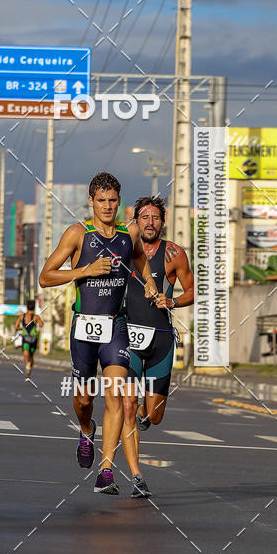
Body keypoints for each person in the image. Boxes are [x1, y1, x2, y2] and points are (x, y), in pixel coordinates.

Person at [39, 172, 158, 495]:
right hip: (84, 327)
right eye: (101, 200)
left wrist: (148, 281)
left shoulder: (127, 234)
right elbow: (45, 276)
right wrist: (84, 271)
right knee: (83, 399)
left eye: (112, 200)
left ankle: (106, 470)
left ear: (119, 202)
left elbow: (139, 261)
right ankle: (86, 428)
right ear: (90, 201)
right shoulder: (78, 234)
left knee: (116, 394)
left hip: (116, 326)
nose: (107, 206)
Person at [122, 196, 194, 498]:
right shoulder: (124, 247)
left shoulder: (175, 253)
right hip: (126, 337)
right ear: (136, 219)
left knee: (154, 415)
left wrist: (173, 301)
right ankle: (137, 476)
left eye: (155, 218)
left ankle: (145, 415)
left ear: (163, 221)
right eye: (144, 217)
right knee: (127, 405)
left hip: (161, 339)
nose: (150, 223)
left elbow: (191, 290)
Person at [15, 299, 43, 380]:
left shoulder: (21, 317)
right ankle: (28, 370)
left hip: (26, 338)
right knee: (31, 356)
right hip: (34, 339)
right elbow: (41, 324)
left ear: (26, 307)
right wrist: (36, 325)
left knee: (26, 355)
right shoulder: (36, 317)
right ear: (34, 308)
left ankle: (28, 367)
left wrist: (22, 328)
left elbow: (16, 327)